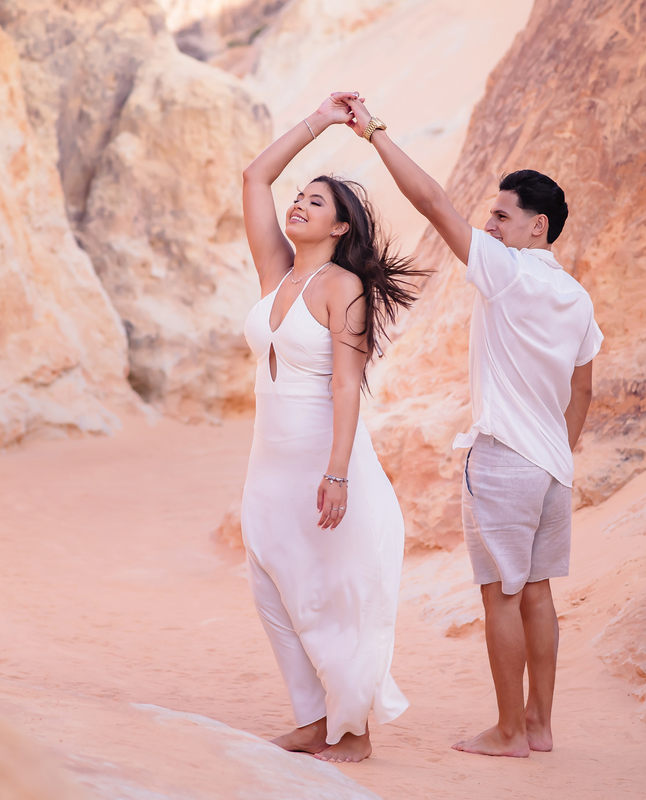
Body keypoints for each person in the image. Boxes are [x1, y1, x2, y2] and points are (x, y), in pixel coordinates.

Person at [340, 97, 602, 758]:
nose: (488, 224)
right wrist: (558, 451)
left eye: (501, 215)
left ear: (538, 227)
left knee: (501, 599)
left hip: (504, 460)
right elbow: (582, 389)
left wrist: (373, 132)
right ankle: (539, 726)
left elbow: (433, 203)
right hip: (550, 467)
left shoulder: (507, 273)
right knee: (537, 593)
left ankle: (509, 732)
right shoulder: (578, 298)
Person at [238, 92, 422, 763]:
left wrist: (338, 472)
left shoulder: (341, 286)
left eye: (315, 202)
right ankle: (315, 719)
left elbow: (348, 384)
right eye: (300, 197)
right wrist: (319, 121)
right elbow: (255, 175)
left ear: (340, 227)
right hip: (269, 463)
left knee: (332, 595)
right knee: (272, 588)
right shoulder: (276, 273)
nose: (298, 205)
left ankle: (354, 730)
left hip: (324, 458)